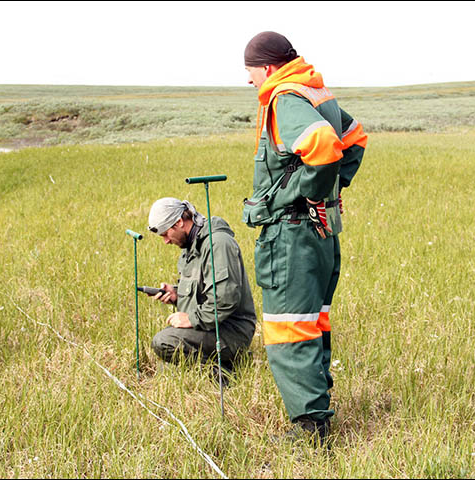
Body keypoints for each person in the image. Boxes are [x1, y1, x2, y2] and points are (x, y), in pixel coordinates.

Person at [241, 31, 368, 443]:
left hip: (292, 237)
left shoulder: (284, 98)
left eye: (251, 73)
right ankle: (319, 415)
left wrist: (305, 193)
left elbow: (325, 146)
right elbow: (355, 139)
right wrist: (331, 192)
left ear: (268, 68)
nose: (249, 81)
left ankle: (311, 431)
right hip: (321, 234)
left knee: (289, 329)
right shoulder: (315, 91)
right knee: (312, 323)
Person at [147, 197, 256, 382]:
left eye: (166, 234)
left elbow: (226, 298)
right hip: (214, 326)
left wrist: (191, 318)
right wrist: (176, 294)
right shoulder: (191, 245)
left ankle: (224, 373)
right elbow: (205, 290)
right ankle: (221, 362)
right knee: (168, 350)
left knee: (164, 342)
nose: (165, 241)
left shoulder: (218, 244)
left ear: (179, 222)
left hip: (232, 330)